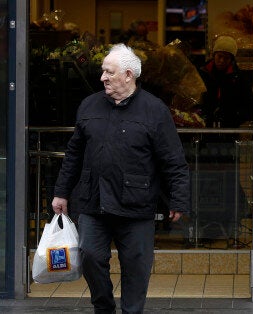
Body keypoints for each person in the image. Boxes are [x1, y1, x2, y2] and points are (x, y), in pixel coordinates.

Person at [51, 43, 190, 314]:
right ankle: (103, 306)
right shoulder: (89, 105)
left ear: (128, 75)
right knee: (89, 255)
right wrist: (61, 192)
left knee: (136, 265)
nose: (102, 77)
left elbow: (173, 160)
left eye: (109, 72)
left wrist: (178, 199)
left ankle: (132, 311)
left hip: (136, 204)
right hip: (93, 200)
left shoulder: (155, 109)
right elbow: (74, 154)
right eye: (103, 71)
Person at [198, 35, 253, 130]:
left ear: (231, 60)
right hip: (204, 126)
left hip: (230, 128)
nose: (222, 61)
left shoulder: (239, 79)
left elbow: (249, 106)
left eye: (226, 58)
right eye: (219, 56)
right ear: (214, 55)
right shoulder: (202, 73)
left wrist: (236, 117)